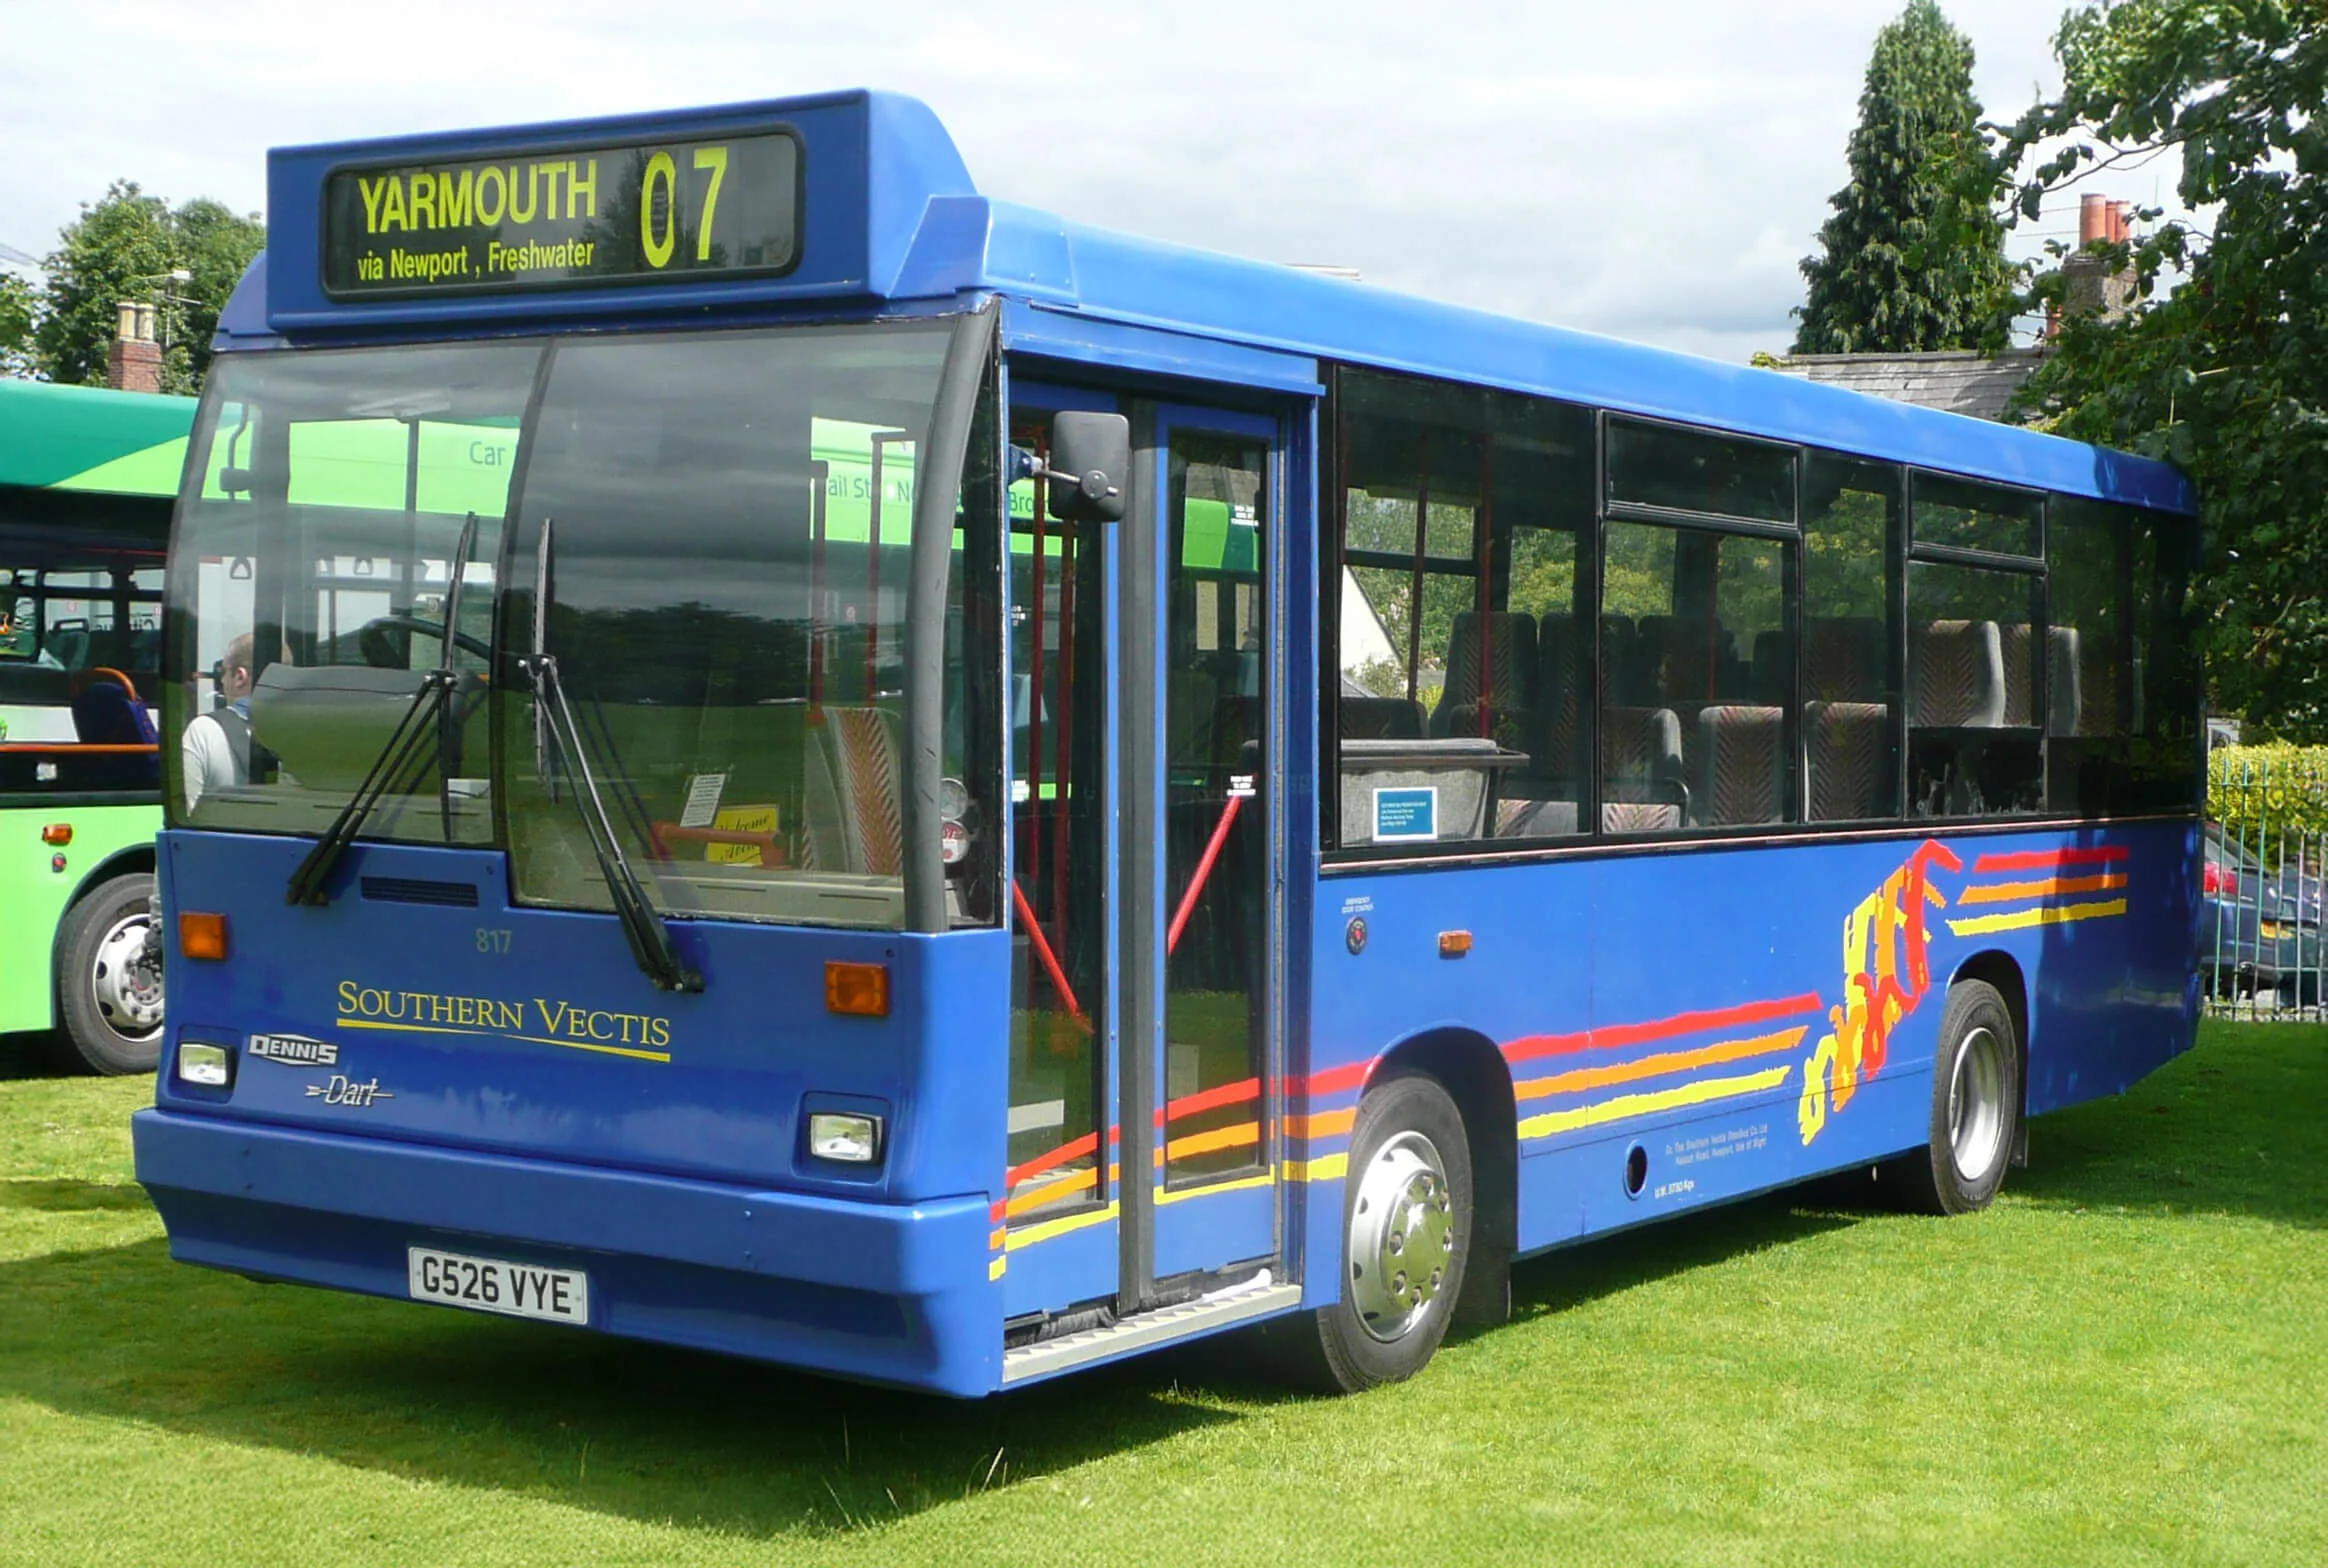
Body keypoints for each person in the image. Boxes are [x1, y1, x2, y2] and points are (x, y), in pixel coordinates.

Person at [182, 633, 257, 811]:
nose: (221, 680)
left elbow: (188, 815)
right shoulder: (309, 732)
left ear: (240, 676)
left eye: (222, 672)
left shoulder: (203, 731)